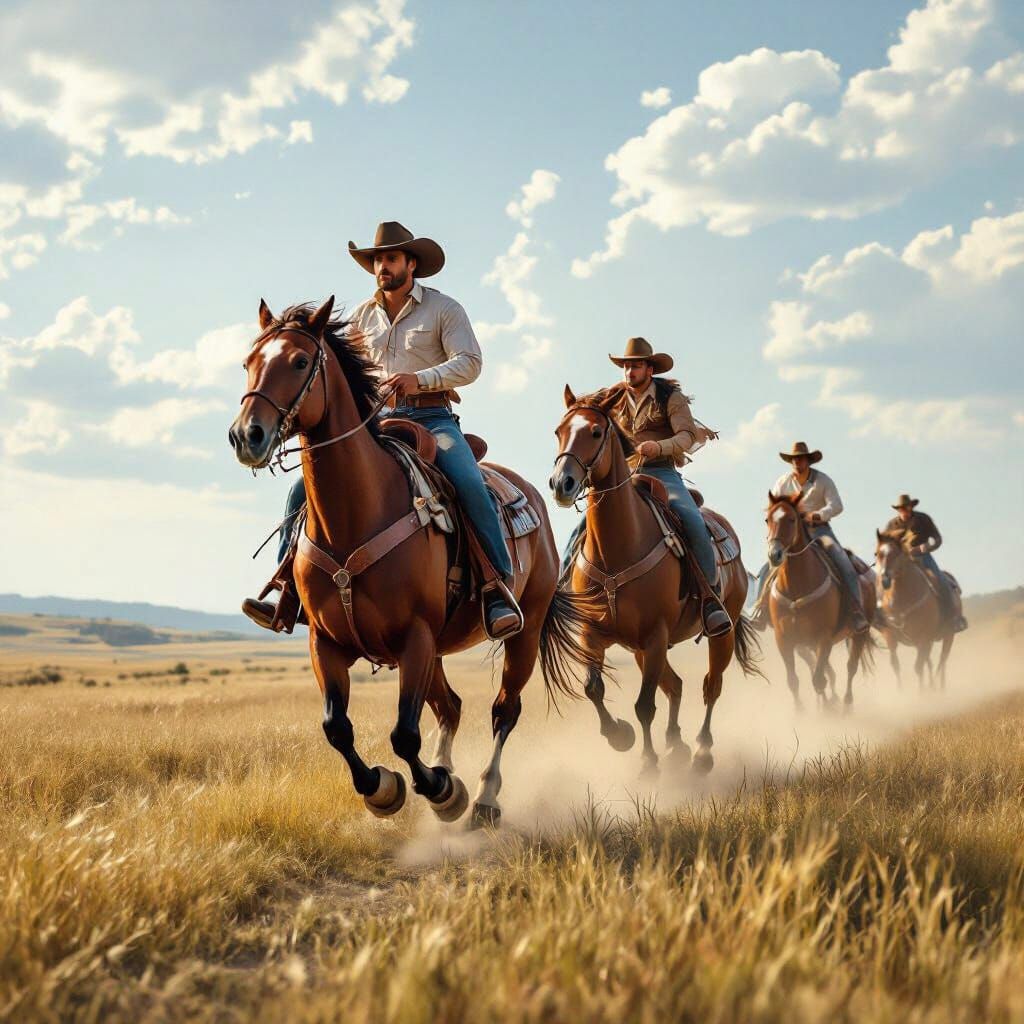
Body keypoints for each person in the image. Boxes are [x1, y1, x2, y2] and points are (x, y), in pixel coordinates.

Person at [242, 221, 521, 640]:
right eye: (377, 261)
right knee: (301, 490)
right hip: (374, 421)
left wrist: (420, 379)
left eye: (390, 259)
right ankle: (287, 589)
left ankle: (496, 589)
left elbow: (470, 362)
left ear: (412, 264)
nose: (382, 267)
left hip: (432, 417)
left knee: (467, 482)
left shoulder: (444, 309)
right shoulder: (361, 316)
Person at [560, 336, 732, 638]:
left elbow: (686, 436)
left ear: (649, 369)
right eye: (626, 366)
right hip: (623, 476)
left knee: (690, 518)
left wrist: (659, 447)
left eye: (636, 366)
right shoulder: (613, 396)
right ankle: (562, 591)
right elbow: (586, 411)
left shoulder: (671, 399)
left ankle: (709, 598)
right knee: (583, 526)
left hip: (662, 472)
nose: (630, 372)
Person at [752, 441, 870, 633]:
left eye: (801, 458)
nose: (797, 462)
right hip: (791, 533)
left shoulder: (823, 481)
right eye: (794, 459)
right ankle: (760, 610)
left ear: (808, 460)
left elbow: (836, 505)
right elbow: (773, 507)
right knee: (768, 567)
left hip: (819, 531)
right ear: (791, 462)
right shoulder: (783, 482)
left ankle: (856, 611)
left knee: (843, 562)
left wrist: (818, 515)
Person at [884, 494, 967, 632]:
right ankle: (884, 619)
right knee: (884, 582)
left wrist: (926, 547)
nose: (904, 510)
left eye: (906, 507)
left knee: (940, 580)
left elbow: (937, 539)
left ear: (911, 506)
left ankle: (953, 619)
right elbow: (885, 544)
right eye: (901, 508)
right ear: (898, 509)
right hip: (900, 562)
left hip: (923, 557)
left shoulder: (923, 519)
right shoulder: (892, 525)